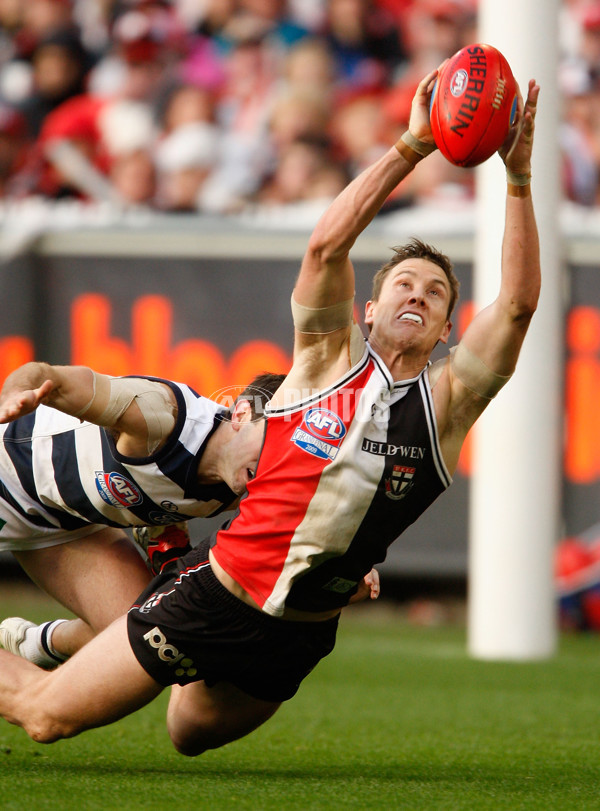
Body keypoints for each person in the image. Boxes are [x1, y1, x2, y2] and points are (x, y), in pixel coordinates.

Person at [0, 66, 540, 754]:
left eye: (436, 294)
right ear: (368, 311)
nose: (419, 293)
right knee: (48, 717)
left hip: (302, 628)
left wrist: (518, 180)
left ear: (446, 332)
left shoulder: (444, 406)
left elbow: (519, 305)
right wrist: (411, 146)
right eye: (404, 281)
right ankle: (44, 653)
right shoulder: (319, 364)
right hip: (221, 593)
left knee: (189, 729)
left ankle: (49, 642)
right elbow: (326, 246)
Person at [0, 369, 284, 667]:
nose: (273, 463)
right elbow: (46, 375)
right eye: (271, 442)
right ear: (241, 413)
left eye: (285, 454)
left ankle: (40, 643)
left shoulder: (249, 481)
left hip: (65, 524)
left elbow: (172, 482)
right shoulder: (158, 415)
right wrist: (16, 392)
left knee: (153, 634)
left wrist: (165, 530)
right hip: (9, 474)